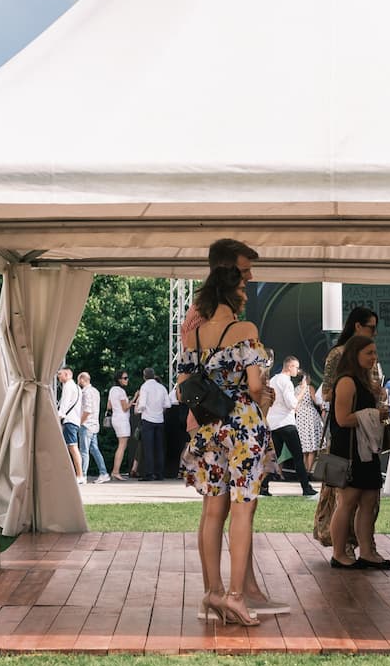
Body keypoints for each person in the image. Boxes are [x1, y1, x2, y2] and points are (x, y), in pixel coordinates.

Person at [178, 265, 278, 626]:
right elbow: (254, 386)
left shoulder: (194, 336)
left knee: (212, 512)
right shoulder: (246, 330)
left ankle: (213, 592)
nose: (246, 294)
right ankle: (236, 596)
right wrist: (264, 395)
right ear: (228, 291)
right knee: (242, 511)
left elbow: (183, 389)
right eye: (242, 288)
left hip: (209, 428)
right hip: (243, 427)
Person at [314, 306, 384, 552]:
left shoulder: (368, 359)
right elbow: (327, 394)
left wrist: (374, 393)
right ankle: (341, 546)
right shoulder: (339, 356)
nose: (375, 333)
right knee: (345, 497)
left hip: (367, 438)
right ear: (357, 326)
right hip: (348, 439)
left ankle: (365, 546)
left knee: (368, 498)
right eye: (371, 328)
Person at [327, 335, 390, 570]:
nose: (374, 357)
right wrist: (375, 415)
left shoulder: (365, 381)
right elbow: (342, 419)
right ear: (355, 355)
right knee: (347, 501)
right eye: (369, 353)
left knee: (369, 500)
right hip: (349, 451)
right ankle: (339, 553)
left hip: (367, 449)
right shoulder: (347, 381)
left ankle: (367, 551)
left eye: (375, 352)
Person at [266, 356, 319, 497]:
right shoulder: (286, 382)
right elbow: (292, 404)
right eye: (296, 367)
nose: (297, 370)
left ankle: (263, 486)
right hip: (286, 423)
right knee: (297, 456)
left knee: (273, 456)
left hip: (273, 423)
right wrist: (302, 390)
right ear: (289, 367)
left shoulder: (274, 380)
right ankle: (306, 487)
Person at [135, 367, 171, 481]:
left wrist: (138, 410)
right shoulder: (162, 387)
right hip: (160, 420)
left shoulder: (145, 387)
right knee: (159, 448)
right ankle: (159, 473)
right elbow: (168, 404)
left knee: (148, 448)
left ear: (144, 376)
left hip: (148, 419)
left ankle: (149, 473)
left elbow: (142, 405)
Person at [77, 372, 108, 482]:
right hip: (94, 424)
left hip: (86, 424)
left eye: (78, 380)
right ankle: (103, 473)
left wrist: (80, 422)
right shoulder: (95, 391)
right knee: (95, 450)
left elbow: (87, 410)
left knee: (84, 451)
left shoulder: (86, 392)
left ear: (82, 380)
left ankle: (83, 475)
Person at [294, 371, 325, 479]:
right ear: (306, 379)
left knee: (304, 447)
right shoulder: (309, 388)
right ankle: (308, 471)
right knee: (312, 446)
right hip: (310, 416)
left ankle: (303, 472)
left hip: (300, 417)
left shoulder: (296, 389)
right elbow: (316, 400)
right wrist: (323, 402)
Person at [56, 367, 84, 484]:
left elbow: (64, 404)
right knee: (72, 447)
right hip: (75, 420)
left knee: (72, 447)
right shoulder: (77, 387)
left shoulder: (68, 386)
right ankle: (78, 474)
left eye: (60, 374)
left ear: (67, 374)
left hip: (69, 420)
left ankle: (79, 475)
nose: (58, 376)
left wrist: (59, 417)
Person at [104, 370, 132, 481]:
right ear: (119, 380)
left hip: (115, 418)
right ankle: (115, 471)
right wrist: (134, 398)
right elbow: (125, 408)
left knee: (121, 445)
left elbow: (109, 406)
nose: (127, 380)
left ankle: (115, 471)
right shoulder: (121, 391)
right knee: (122, 446)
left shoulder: (112, 390)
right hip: (122, 419)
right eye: (125, 378)